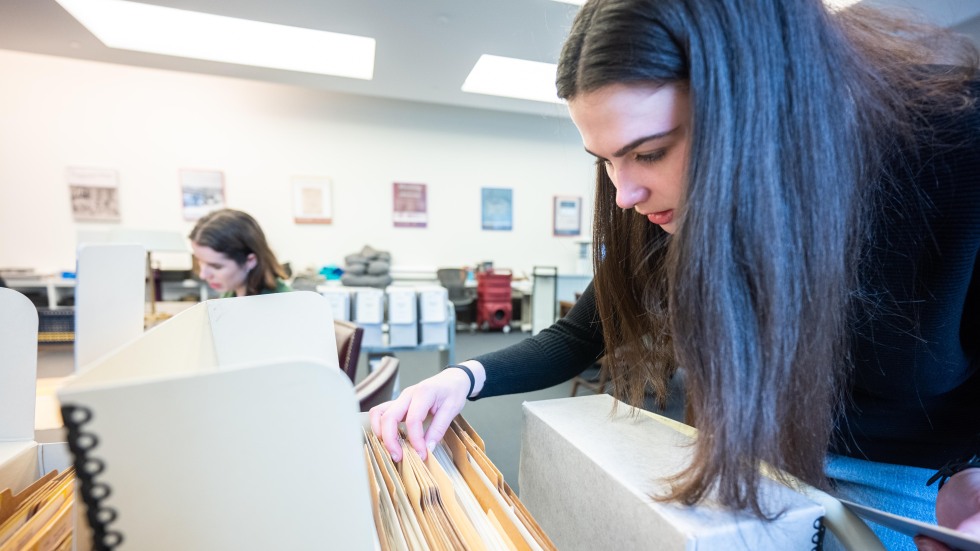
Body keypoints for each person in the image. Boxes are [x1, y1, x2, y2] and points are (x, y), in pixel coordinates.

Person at [371, 1, 979, 549]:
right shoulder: (659, 203)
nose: (626, 192)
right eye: (605, 160)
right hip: (748, 466)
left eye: (650, 152)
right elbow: (585, 333)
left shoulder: (954, 149)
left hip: (914, 492)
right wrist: (462, 377)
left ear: (758, 106)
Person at [188, 209, 291, 297]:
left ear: (250, 261)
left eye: (216, 266)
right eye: (200, 261)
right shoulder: (231, 291)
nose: (203, 275)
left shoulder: (283, 304)